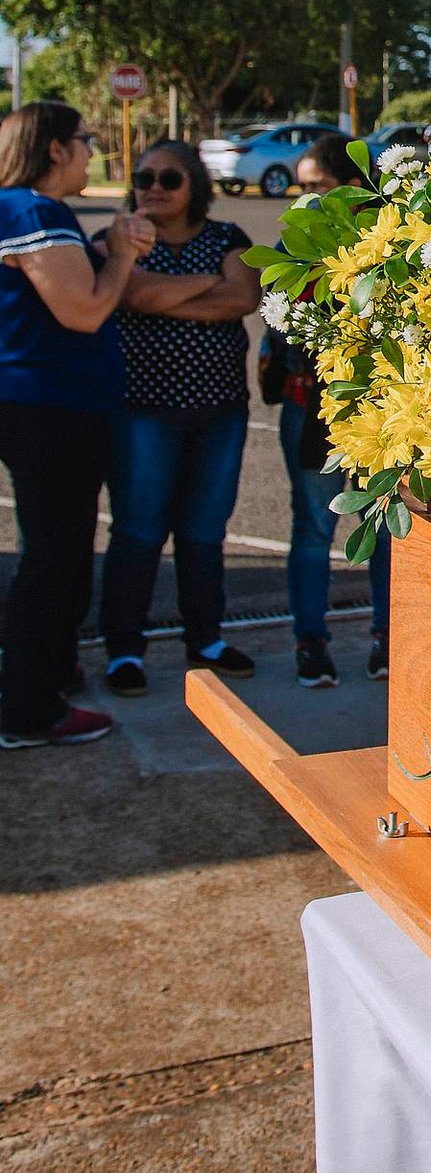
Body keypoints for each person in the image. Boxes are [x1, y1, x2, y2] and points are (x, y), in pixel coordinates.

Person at [0, 101, 153, 748]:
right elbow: (83, 312)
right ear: (55, 149)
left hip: (38, 403)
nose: (93, 152)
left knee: (55, 549)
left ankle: (50, 674)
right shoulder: (33, 212)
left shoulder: (25, 212)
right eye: (85, 141)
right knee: (54, 556)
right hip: (51, 407)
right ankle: (30, 709)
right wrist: (120, 255)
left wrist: (97, 250)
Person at [98, 141, 261, 695]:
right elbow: (134, 296)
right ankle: (124, 650)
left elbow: (242, 298)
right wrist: (203, 283)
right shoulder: (121, 239)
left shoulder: (228, 238)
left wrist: (159, 295)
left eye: (169, 178)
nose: (154, 188)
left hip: (219, 412)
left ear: (194, 185)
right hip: (142, 412)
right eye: (144, 178)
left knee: (204, 531)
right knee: (138, 530)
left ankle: (205, 639)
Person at [267, 134, 389, 687]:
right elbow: (277, 323)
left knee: (383, 527)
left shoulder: (388, 239)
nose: (305, 199)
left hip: (377, 409)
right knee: (314, 528)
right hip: (309, 406)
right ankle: (310, 642)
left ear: (352, 186)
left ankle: (389, 637)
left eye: (317, 187)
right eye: (302, 188)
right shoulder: (296, 243)